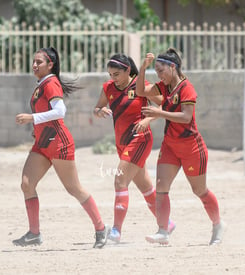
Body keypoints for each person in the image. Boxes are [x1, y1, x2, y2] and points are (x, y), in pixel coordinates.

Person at [13, 47, 109, 248]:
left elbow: (59, 111)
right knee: (26, 184)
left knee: (73, 188)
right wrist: (36, 128)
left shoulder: (51, 83)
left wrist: (32, 118)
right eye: (34, 61)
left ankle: (101, 228)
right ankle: (34, 233)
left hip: (59, 143)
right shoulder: (42, 84)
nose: (34, 65)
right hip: (43, 142)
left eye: (39, 62)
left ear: (50, 65)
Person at [136, 48, 226, 245]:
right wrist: (142, 68)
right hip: (170, 145)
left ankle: (218, 224)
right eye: (156, 71)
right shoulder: (164, 87)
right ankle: (163, 231)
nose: (158, 75)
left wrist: (159, 114)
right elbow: (141, 91)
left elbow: (186, 118)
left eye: (161, 70)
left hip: (192, 147)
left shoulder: (187, 88)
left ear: (172, 67)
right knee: (161, 187)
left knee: (199, 191)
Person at [93, 53, 176, 243]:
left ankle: (116, 231)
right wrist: (99, 111)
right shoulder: (108, 88)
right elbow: (96, 108)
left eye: (116, 74)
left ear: (127, 70)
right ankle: (167, 223)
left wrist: (148, 119)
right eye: (110, 74)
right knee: (145, 187)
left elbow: (167, 105)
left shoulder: (140, 85)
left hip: (140, 139)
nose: (112, 78)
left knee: (119, 180)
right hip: (122, 143)